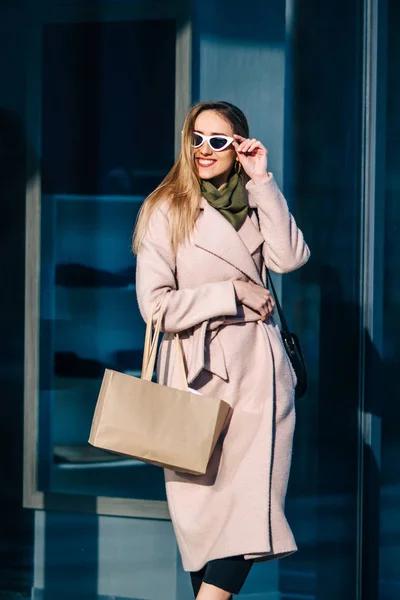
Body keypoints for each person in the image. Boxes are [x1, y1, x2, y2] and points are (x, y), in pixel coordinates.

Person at [133, 101, 310, 599]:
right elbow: (156, 307)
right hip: (196, 377)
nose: (204, 150)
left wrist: (263, 181)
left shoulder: (257, 199)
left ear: (238, 146)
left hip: (259, 374)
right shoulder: (165, 208)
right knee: (204, 517)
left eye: (218, 140)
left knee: (252, 504)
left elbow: (291, 258)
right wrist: (230, 293)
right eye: (197, 138)